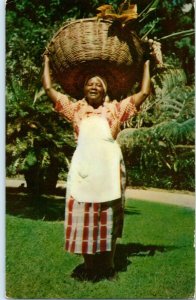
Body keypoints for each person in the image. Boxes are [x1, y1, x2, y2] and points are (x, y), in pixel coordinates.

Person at [42, 40, 162, 281]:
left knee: (108, 216)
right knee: (84, 213)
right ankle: (88, 267)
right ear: (84, 89)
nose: (94, 86)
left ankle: (107, 267)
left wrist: (147, 62)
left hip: (109, 169)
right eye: (90, 84)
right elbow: (48, 89)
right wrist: (46, 61)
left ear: (106, 90)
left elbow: (144, 92)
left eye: (99, 84)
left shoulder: (117, 109)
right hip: (84, 169)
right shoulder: (75, 109)